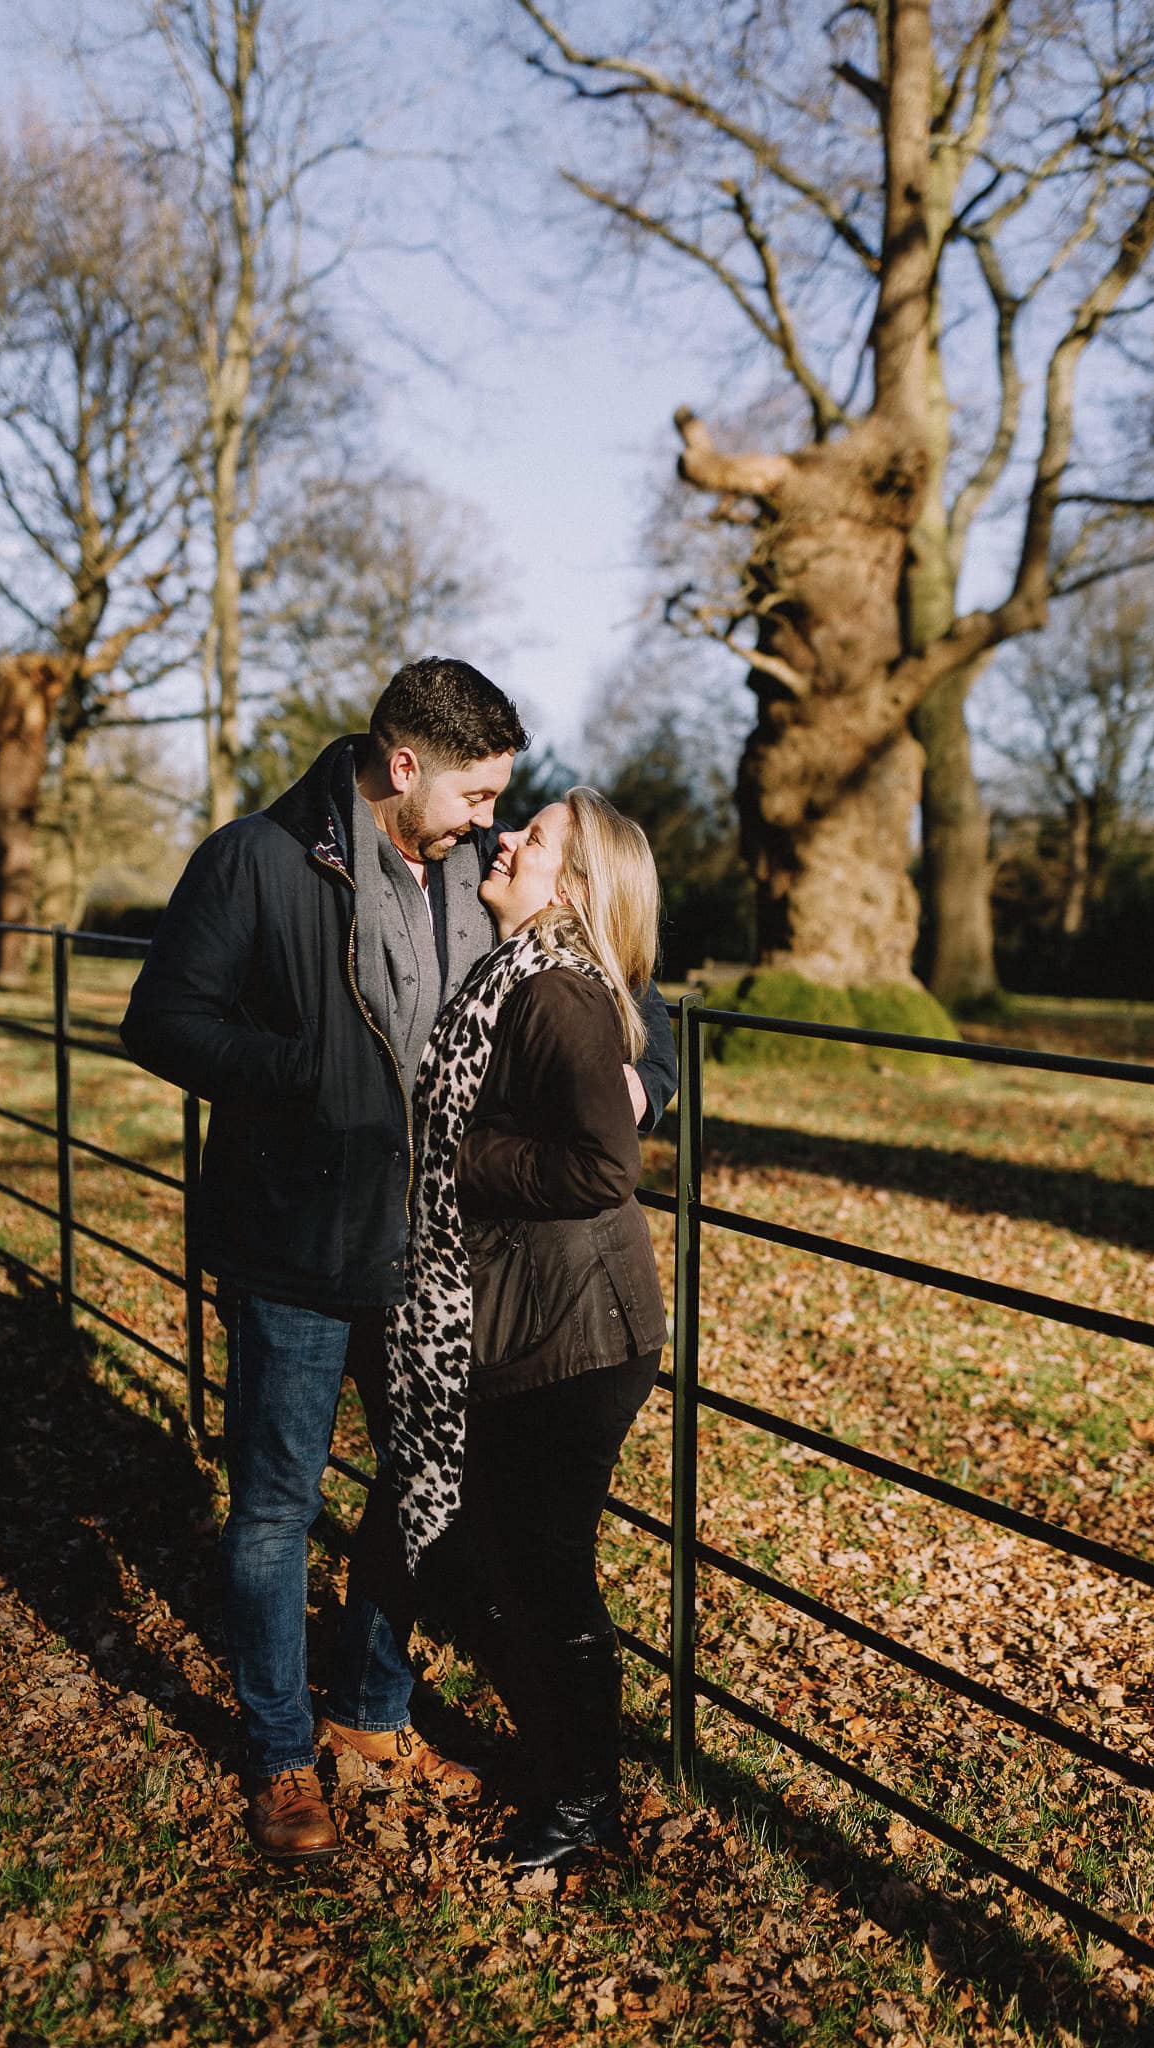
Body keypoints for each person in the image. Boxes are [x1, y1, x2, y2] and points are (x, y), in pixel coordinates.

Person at [119, 659, 677, 1864]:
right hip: (299, 1243)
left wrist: (651, 1082)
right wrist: (297, 1077)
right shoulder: (257, 859)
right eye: (477, 795)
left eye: (503, 805)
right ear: (404, 764)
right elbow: (161, 1015)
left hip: (440, 1267)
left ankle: (371, 1709)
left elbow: (616, 969)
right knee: (276, 1501)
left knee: (421, 1487)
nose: (491, 820)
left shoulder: (485, 877)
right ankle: (276, 1751)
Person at [385, 787, 668, 1873]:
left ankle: (582, 1797)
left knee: (542, 1571)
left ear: (578, 885)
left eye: (535, 836)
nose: (508, 839)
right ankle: (570, 1770)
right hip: (531, 1319)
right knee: (509, 1558)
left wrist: (460, 1161)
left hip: (574, 1334)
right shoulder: (515, 975)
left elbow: (605, 1164)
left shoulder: (555, 991)